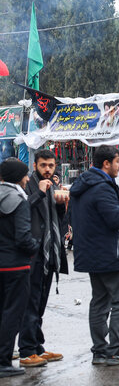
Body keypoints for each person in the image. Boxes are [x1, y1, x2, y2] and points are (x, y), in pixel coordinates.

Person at [70, 146, 119, 366]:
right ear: (106, 163)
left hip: (94, 255)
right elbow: (114, 219)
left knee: (100, 302)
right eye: (118, 162)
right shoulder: (102, 187)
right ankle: (114, 350)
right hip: (113, 256)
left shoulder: (83, 184)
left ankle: (100, 351)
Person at [19, 149, 68, 368]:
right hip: (32, 254)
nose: (47, 169)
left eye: (51, 165)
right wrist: (39, 192)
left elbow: (58, 221)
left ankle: (38, 346)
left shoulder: (53, 185)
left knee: (40, 303)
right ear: (35, 166)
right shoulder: (28, 185)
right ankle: (27, 350)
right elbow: (22, 212)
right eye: (43, 166)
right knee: (30, 303)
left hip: (50, 253)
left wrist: (61, 203)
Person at [0, 159, 39, 378]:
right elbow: (24, 237)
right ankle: (3, 361)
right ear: (19, 177)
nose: (27, 179)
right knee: (12, 315)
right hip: (16, 266)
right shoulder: (19, 200)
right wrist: (35, 248)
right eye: (25, 175)